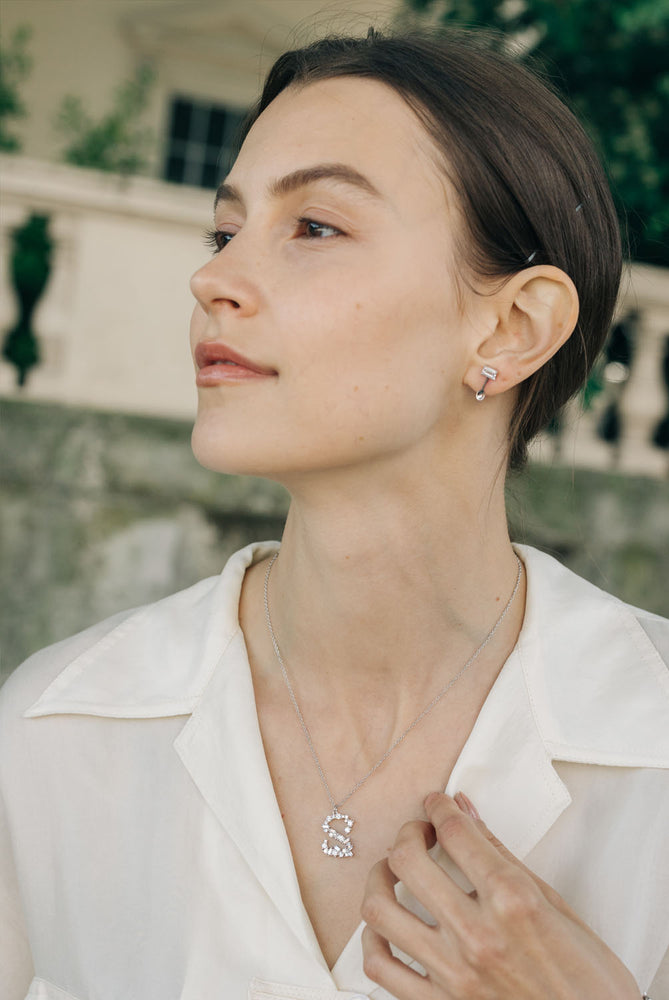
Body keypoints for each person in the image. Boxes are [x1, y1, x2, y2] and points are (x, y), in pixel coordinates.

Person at [1, 27, 668, 1000]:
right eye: (224, 230)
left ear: (511, 325)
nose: (213, 277)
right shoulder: (55, 732)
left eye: (314, 226)